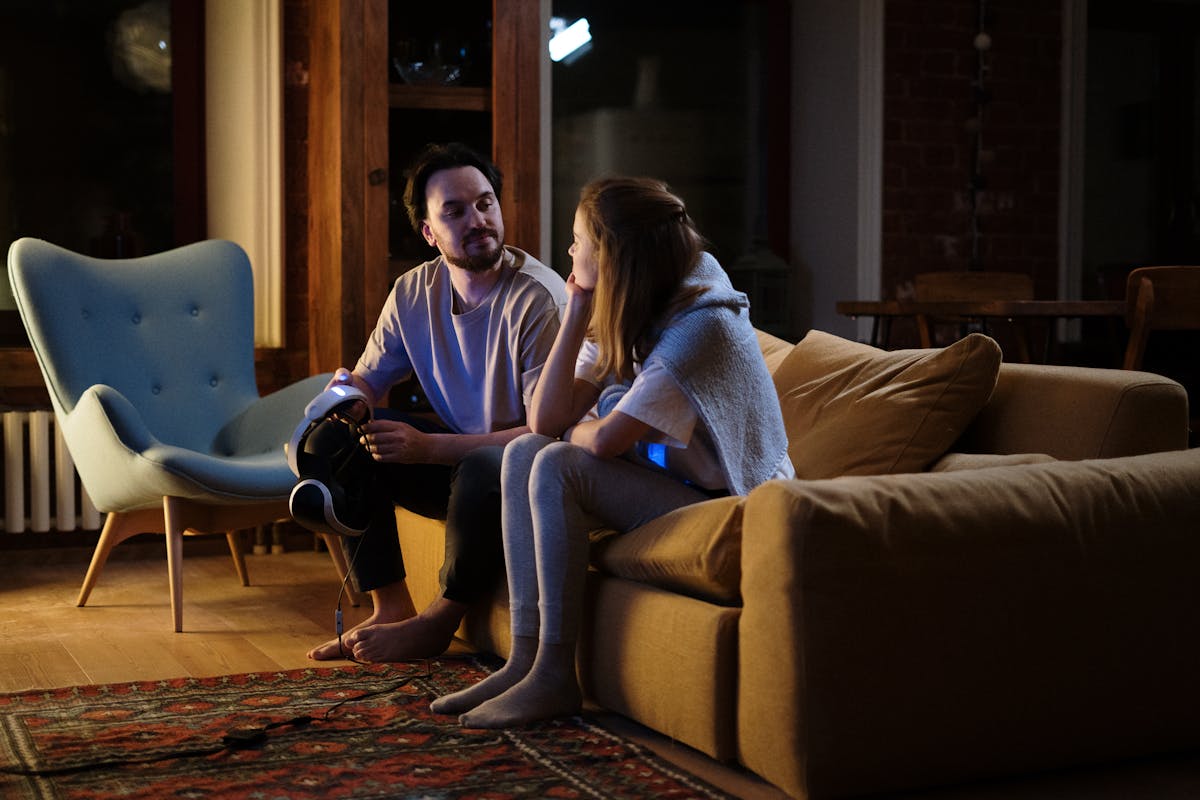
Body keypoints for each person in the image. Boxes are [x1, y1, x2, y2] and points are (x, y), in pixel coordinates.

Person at [430, 176, 792, 727]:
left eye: (579, 240)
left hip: (736, 505)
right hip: (677, 486)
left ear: (614, 256)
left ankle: (555, 675)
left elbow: (600, 440)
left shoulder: (700, 325)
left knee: (555, 461)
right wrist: (575, 308)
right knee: (528, 450)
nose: (570, 251)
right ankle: (526, 662)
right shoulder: (632, 298)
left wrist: (581, 423)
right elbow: (545, 419)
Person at [293, 141, 567, 663]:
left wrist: (432, 447)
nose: (478, 219)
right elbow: (369, 381)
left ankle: (439, 620)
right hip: (461, 470)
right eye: (455, 211)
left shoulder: (537, 299)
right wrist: (349, 397)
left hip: (525, 475)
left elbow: (546, 432)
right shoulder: (412, 292)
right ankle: (390, 608)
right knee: (340, 436)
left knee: (489, 463)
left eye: (486, 203)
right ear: (428, 232)